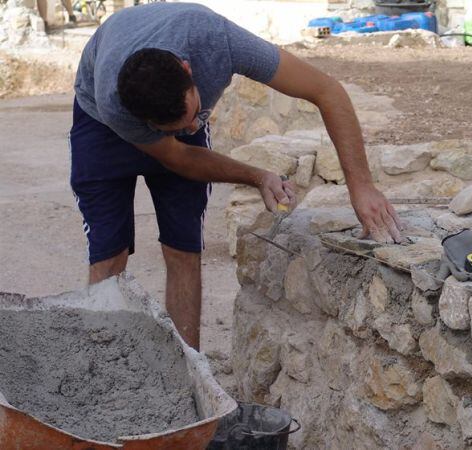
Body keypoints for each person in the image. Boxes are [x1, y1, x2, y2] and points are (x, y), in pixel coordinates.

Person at [70, 2, 403, 349]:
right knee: (109, 255)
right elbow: (180, 158)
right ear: (146, 123)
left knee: (183, 247)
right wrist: (256, 175)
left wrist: (361, 187)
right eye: (179, 126)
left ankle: (190, 374)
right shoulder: (115, 104)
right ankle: (103, 376)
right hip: (99, 126)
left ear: (188, 68)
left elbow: (327, 91)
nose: (194, 127)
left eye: (196, 113)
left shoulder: (216, 40)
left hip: (169, 77)